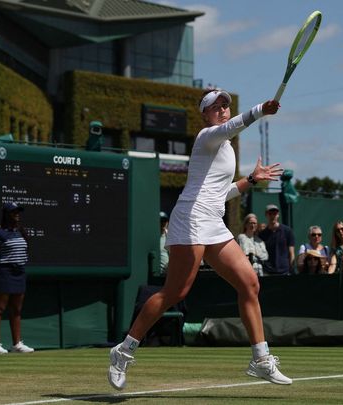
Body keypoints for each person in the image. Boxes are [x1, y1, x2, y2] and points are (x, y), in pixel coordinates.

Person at [108, 90, 291, 390]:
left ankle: (260, 359)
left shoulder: (226, 149)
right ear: (204, 115)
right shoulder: (208, 136)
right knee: (176, 292)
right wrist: (261, 110)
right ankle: (123, 350)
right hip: (191, 217)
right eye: (215, 106)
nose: (222, 109)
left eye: (225, 105)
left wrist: (252, 180)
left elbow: (222, 194)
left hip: (212, 221)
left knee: (250, 283)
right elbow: (231, 127)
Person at [0, 202, 34, 354]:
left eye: (18, 212)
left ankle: (17, 344)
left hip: (19, 273)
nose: (17, 214)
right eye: (14, 212)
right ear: (6, 215)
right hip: (4, 273)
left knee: (16, 310)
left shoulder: (21, 232)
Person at [258, 204, 296, 275]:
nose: (273, 216)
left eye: (275, 214)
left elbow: (291, 252)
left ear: (278, 215)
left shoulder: (287, 231)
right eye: (270, 214)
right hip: (268, 272)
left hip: (285, 271)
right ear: (266, 215)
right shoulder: (262, 235)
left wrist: (291, 268)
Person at [159, 211, 170, 275]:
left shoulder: (170, 236)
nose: (163, 223)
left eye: (164, 221)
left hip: (168, 275)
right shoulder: (152, 236)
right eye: (161, 221)